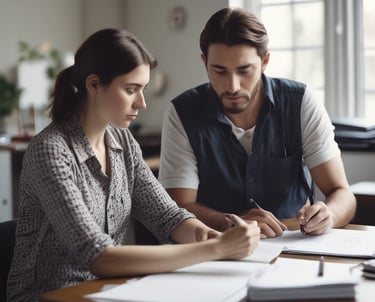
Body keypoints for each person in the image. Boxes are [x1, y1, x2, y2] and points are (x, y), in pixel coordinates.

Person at [6, 28, 260, 302]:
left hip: (107, 291)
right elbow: (99, 257)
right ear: (94, 85)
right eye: (131, 90)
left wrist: (208, 236)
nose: (142, 103)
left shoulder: (122, 142)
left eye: (143, 89)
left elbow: (168, 217)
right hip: (47, 296)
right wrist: (217, 249)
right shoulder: (51, 150)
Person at [158, 8, 356, 239]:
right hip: (216, 249)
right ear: (205, 62)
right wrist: (230, 222)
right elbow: (177, 208)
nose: (232, 86)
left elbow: (342, 194)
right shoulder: (182, 113)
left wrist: (328, 215)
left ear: (265, 61)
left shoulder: (301, 102)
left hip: (293, 246)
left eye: (244, 70)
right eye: (219, 71)